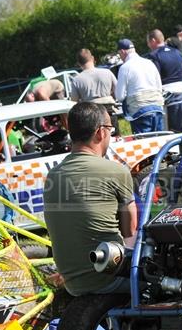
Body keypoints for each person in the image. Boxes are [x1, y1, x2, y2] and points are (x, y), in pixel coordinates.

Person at [43, 102, 137, 296]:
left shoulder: (53, 175)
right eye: (111, 129)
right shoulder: (116, 171)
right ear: (100, 132)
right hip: (109, 279)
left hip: (72, 284)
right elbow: (131, 232)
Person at [145, 29, 182, 133]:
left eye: (148, 42)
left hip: (169, 98)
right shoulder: (177, 52)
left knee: (171, 135)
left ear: (153, 40)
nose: (148, 45)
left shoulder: (153, 56)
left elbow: (154, 79)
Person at [114, 38, 165, 134]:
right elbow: (159, 87)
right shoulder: (149, 63)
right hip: (157, 107)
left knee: (144, 143)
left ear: (122, 51)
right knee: (160, 141)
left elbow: (119, 96)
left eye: (119, 54)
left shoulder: (124, 67)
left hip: (140, 111)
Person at [71, 48, 120, 135]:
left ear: (79, 63)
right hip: (109, 113)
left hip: (91, 118)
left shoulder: (77, 80)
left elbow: (74, 102)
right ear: (93, 58)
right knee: (116, 140)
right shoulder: (107, 72)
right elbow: (118, 92)